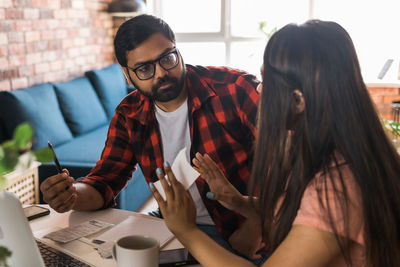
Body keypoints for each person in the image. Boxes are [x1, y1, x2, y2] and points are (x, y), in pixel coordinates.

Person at [150, 20, 400, 266]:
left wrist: (187, 231)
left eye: (266, 81)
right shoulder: (330, 152)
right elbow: (300, 216)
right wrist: (239, 201)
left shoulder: (337, 187)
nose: (259, 90)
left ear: (299, 100)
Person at [39, 14, 262, 257]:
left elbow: (296, 164)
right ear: (127, 74)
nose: (161, 74)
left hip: (240, 229)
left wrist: (257, 225)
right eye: (144, 68)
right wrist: (71, 195)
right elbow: (104, 182)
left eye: (167, 58)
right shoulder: (129, 114)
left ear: (178, 52)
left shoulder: (235, 89)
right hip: (170, 224)